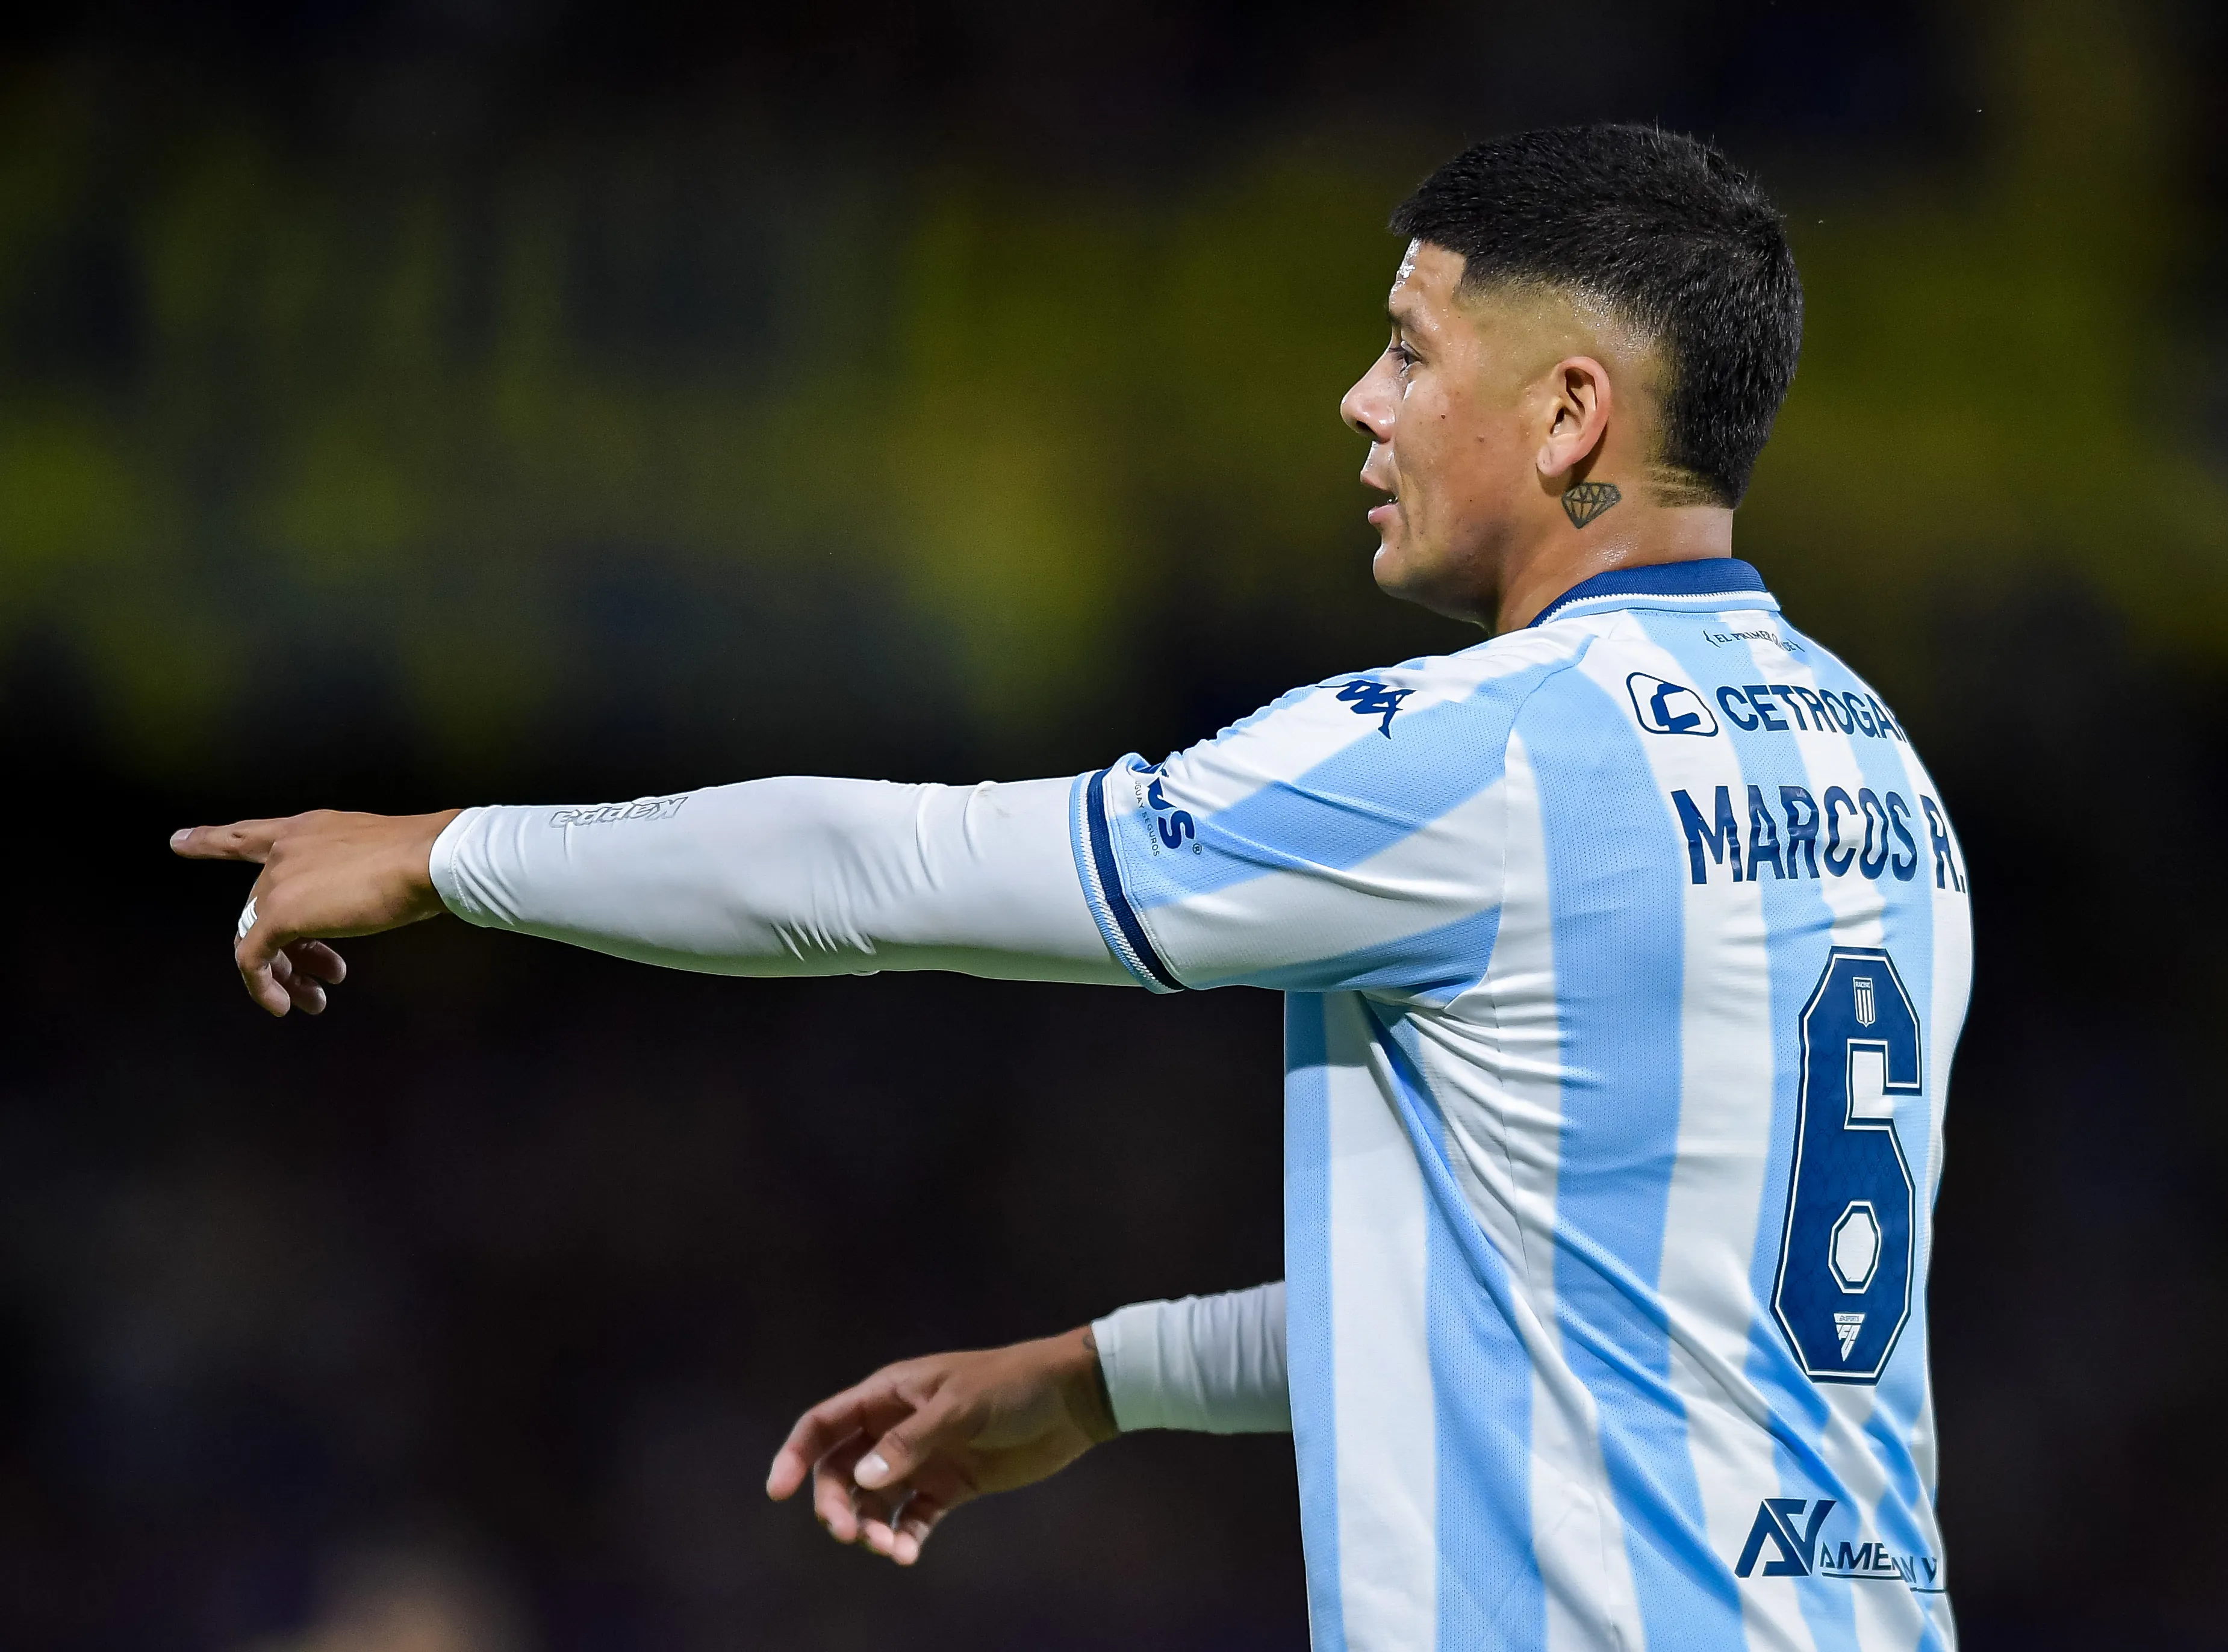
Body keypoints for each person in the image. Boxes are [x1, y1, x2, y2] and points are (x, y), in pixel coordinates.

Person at [173, 124, 1970, 1650]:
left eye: (1412, 352)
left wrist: (450, 857)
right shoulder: (1877, 778)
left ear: (1572, 410)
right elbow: (1577, 1301)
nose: (1361, 399)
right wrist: (1107, 1375)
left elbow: (887, 871)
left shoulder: (1481, 756)